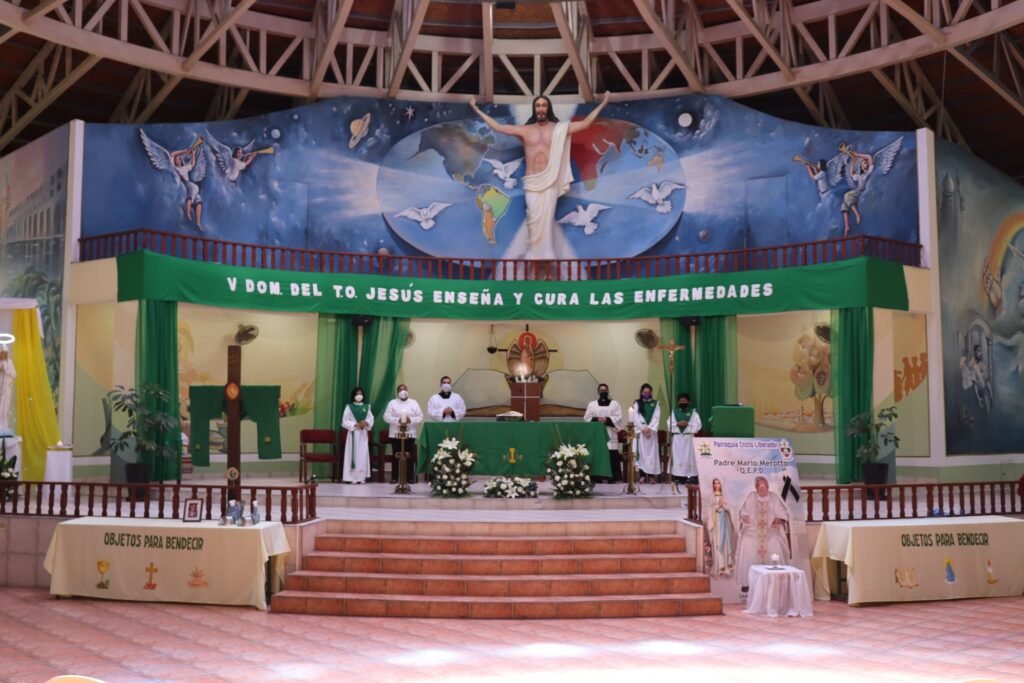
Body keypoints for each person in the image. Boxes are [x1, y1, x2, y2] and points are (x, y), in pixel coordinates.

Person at [469, 92, 611, 259]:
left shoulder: (559, 129)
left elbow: (585, 124)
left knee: (546, 221)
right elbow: (499, 128)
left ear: (548, 108)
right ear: (534, 109)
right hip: (532, 181)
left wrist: (604, 102)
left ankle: (546, 255)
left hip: (549, 180)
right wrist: (475, 109)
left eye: (544, 105)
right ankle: (533, 254)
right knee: (533, 220)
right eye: (538, 105)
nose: (541, 108)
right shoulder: (525, 130)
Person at [734, 476, 792, 590]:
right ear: (756, 488)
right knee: (747, 540)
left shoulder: (774, 497)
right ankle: (748, 581)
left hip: (771, 529)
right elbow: (743, 511)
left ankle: (777, 579)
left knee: (775, 541)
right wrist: (744, 517)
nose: (763, 490)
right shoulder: (751, 497)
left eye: (765, 487)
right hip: (753, 528)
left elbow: (783, 513)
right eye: (760, 488)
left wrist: (778, 520)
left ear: (768, 487)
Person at [383, 384, 423, 483]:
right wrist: (398, 420)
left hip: (410, 433)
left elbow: (420, 416)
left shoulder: (414, 403)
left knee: (409, 455)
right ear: (397, 393)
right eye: (400, 390)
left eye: (404, 389)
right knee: (396, 455)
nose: (403, 391)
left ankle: (410, 477)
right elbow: (386, 417)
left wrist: (411, 420)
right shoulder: (392, 403)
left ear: (408, 391)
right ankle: (394, 477)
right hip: (396, 433)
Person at [583, 382, 623, 483]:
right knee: (598, 455)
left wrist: (607, 420)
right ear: (598, 392)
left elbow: (618, 417)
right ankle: (597, 478)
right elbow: (587, 418)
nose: (603, 392)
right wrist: (597, 419)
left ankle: (612, 478)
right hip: (597, 435)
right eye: (601, 390)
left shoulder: (615, 404)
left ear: (608, 391)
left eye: (605, 390)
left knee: (611, 455)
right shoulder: (592, 404)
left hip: (610, 433)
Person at [703, 478, 736, 577]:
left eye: (718, 483)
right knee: (718, 542)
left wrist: (725, 506)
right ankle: (720, 566)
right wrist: (716, 507)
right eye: (715, 483)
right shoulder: (711, 496)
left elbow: (731, 508)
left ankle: (728, 565)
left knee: (727, 542)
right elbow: (708, 510)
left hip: (726, 520)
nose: (717, 485)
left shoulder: (725, 495)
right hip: (716, 521)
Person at [341, 386, 374, 484]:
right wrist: (355, 424)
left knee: (362, 454)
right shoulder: (349, 407)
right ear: (353, 396)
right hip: (353, 433)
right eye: (357, 394)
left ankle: (361, 477)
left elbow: (370, 418)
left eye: (360, 394)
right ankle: (351, 477)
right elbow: (344, 421)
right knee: (353, 454)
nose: (359, 396)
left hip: (363, 434)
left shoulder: (367, 407)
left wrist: (366, 422)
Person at [668, 392, 701, 485]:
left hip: (688, 438)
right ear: (678, 402)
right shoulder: (674, 412)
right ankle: (679, 477)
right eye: (681, 401)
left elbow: (698, 425)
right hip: (678, 438)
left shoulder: (693, 413)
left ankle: (691, 476)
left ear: (688, 402)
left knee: (689, 458)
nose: (683, 402)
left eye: (684, 401)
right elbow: (669, 424)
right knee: (679, 458)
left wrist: (688, 424)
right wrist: (677, 424)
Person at [631, 383, 661, 484]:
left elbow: (656, 417)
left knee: (651, 454)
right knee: (642, 454)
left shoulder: (656, 403)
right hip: (641, 433)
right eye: (644, 392)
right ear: (641, 393)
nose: (646, 394)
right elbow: (636, 417)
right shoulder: (637, 403)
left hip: (651, 433)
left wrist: (650, 428)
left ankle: (652, 476)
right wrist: (643, 429)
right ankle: (642, 476)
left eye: (648, 392)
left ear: (651, 393)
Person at [0, 346, 14, 436]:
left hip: (7, 388)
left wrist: (6, 371)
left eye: (5, 352)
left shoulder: (10, 363)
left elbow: (14, 374)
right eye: (2, 352)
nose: (4, 354)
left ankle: (4, 425)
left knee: (5, 407)